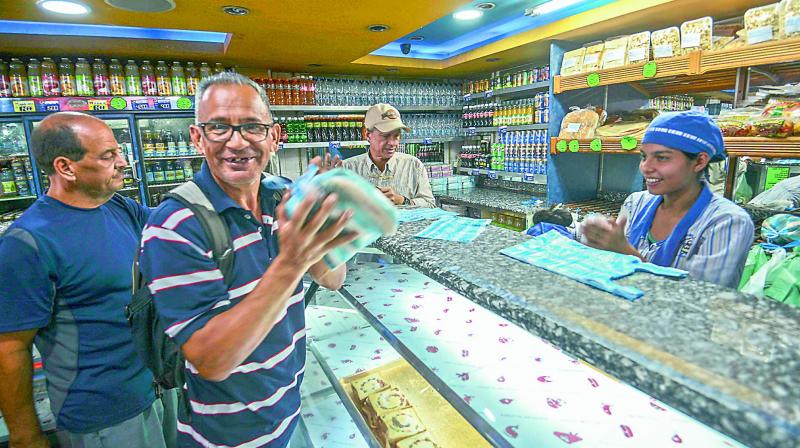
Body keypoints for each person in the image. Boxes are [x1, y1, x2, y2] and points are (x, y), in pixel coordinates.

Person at [137, 72, 356, 448]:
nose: (237, 142)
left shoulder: (282, 194)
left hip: (288, 409)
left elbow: (333, 278)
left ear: (274, 136)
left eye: (252, 127)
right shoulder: (174, 225)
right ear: (197, 137)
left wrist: (321, 223)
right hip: (226, 436)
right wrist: (291, 261)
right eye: (219, 127)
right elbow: (211, 359)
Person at [0, 112, 167, 448]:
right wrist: (25, 435)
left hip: (153, 388)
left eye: (119, 152)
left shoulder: (118, 206)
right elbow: (11, 346)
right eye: (108, 156)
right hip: (102, 417)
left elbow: (174, 230)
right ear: (66, 167)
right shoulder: (28, 243)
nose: (123, 163)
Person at [580, 111, 754, 288]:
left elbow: (700, 299)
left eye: (661, 158)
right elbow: (613, 267)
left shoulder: (727, 222)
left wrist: (625, 252)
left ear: (699, 161)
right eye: (643, 157)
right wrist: (598, 241)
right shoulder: (636, 203)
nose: (646, 168)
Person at [343, 103, 436, 208]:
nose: (392, 143)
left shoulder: (413, 165)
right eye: (385, 136)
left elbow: (430, 205)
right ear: (367, 135)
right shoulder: (347, 169)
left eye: (396, 136)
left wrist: (402, 201)